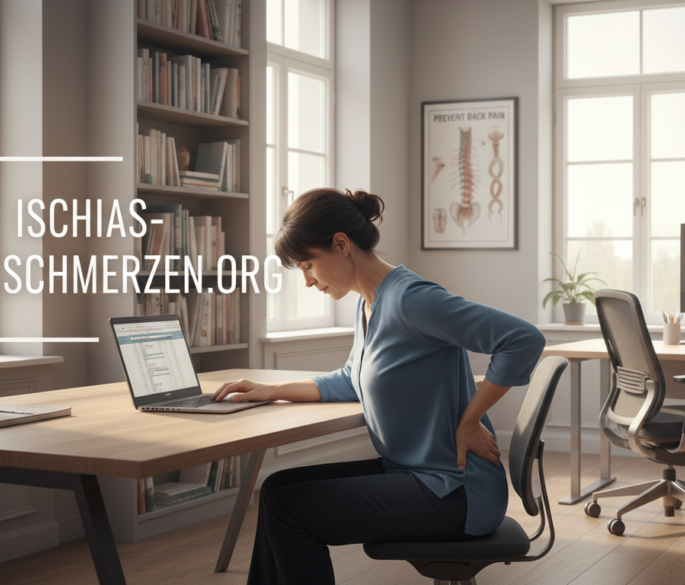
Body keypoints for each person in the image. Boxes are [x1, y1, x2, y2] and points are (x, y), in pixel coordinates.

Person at [211, 188, 546, 585]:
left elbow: (523, 339)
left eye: (308, 265)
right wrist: (272, 390)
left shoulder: (411, 300)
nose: (306, 281)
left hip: (455, 490)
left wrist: (471, 419)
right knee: (276, 489)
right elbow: (351, 379)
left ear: (341, 244)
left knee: (289, 510)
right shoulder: (367, 304)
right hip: (418, 475)